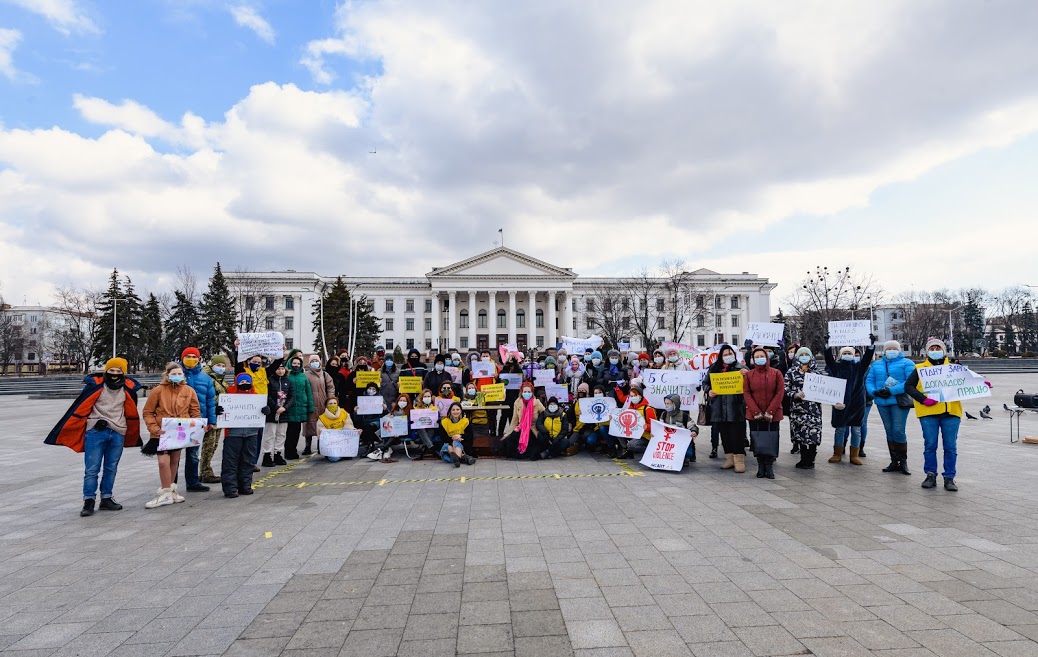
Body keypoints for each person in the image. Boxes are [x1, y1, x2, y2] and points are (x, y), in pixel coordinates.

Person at [46, 357, 142, 517]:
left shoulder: (128, 388)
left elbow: (130, 410)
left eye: (119, 371)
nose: (115, 374)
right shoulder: (95, 386)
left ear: (123, 373)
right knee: (92, 469)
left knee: (111, 468)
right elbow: (82, 406)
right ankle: (88, 500)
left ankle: (106, 498)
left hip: (118, 432)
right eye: (112, 370)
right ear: (106, 371)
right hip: (96, 432)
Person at [903, 339, 972, 491]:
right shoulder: (920, 368)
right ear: (927, 351)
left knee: (950, 447)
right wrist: (923, 399)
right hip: (929, 413)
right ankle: (930, 474)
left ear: (943, 350)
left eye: (938, 348)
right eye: (932, 348)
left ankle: (949, 477)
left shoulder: (953, 367)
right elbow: (908, 386)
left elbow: (969, 382)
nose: (935, 350)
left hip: (951, 412)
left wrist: (981, 384)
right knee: (930, 445)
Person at [141, 362, 202, 509]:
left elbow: (195, 411)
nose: (176, 376)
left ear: (183, 375)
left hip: (180, 431)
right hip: (161, 432)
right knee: (163, 461)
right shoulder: (158, 390)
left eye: (179, 373)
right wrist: (154, 428)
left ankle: (171, 490)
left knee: (174, 461)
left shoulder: (189, 391)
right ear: (167, 375)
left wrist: (197, 425)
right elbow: (148, 412)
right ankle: (165, 491)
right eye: (173, 374)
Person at [865, 340, 916, 475]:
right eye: (889, 348)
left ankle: (903, 461)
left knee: (898, 430)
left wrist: (892, 391)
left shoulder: (907, 363)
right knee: (889, 431)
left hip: (898, 401)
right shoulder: (876, 364)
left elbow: (910, 382)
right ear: (885, 351)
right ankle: (894, 461)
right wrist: (874, 392)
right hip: (882, 402)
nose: (891, 350)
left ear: (899, 350)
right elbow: (869, 381)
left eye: (894, 348)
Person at [824, 339, 876, 465]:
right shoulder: (836, 367)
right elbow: (829, 360)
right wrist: (827, 347)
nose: (847, 355)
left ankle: (854, 455)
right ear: (841, 355)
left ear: (853, 355)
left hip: (857, 402)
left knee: (856, 429)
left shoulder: (859, 367)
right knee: (840, 429)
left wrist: (870, 347)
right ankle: (837, 453)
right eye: (845, 353)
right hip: (840, 402)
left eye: (849, 353)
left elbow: (867, 360)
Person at [701, 344, 748, 473]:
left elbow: (751, 385)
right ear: (721, 356)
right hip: (719, 408)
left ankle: (739, 460)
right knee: (725, 434)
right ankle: (729, 458)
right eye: (725, 354)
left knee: (737, 434)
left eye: (730, 353)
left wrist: (747, 376)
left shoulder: (741, 368)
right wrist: (709, 390)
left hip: (736, 407)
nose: (728, 356)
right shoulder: (714, 369)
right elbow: (705, 383)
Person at [179, 346, 217, 493]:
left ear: (199, 359)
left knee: (193, 454)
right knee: (174, 455)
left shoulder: (205, 379)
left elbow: (210, 401)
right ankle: (170, 483)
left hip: (197, 421)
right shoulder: (177, 375)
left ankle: (193, 482)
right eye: (187, 356)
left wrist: (211, 421)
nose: (191, 359)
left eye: (194, 356)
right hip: (179, 422)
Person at [743, 346, 784, 479]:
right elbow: (747, 393)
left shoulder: (776, 373)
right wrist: (755, 411)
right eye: (757, 357)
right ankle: (760, 465)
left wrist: (770, 411)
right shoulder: (749, 375)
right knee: (757, 438)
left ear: (766, 358)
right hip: (755, 414)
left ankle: (769, 465)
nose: (759, 359)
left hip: (773, 414)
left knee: (772, 438)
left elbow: (779, 392)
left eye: (762, 356)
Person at [221, 373, 261, 497]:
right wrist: (219, 410)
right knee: (230, 461)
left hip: (251, 433)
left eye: (247, 382)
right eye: (242, 382)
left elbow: (261, 411)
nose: (244, 384)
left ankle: (245, 485)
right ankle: (230, 488)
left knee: (248, 461)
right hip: (233, 433)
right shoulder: (229, 395)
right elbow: (221, 410)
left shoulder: (256, 397)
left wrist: (265, 410)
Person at [785, 347, 822, 469]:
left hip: (813, 410)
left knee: (813, 434)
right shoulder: (791, 372)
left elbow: (825, 390)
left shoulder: (817, 373)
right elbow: (785, 388)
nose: (804, 356)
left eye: (807, 354)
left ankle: (811, 459)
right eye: (802, 354)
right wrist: (794, 394)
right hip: (798, 410)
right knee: (800, 434)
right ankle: (803, 458)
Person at [199, 354, 230, 484]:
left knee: (214, 444)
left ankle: (206, 470)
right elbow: (206, 397)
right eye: (218, 365)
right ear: (212, 365)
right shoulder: (208, 379)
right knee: (209, 444)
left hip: (219, 417)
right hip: (210, 416)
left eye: (223, 366)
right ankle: (205, 471)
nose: (221, 368)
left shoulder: (221, 380)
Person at [261, 362, 294, 466]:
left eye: (283, 369)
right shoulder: (269, 381)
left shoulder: (288, 382)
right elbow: (267, 396)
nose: (281, 371)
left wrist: (284, 407)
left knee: (281, 434)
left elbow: (292, 397)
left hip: (284, 413)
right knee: (270, 434)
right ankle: (267, 455)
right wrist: (275, 407)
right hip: (272, 413)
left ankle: (278, 453)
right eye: (278, 369)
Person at [303, 354, 336, 456]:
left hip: (322, 404)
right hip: (310, 403)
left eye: (316, 361)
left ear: (320, 362)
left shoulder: (325, 375)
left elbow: (330, 388)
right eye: (312, 361)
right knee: (308, 425)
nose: (314, 363)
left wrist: (330, 399)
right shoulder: (306, 375)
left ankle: (320, 445)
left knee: (322, 426)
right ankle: (307, 446)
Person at [502, 382, 546, 459]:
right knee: (508, 441)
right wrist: (508, 432)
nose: (527, 393)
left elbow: (545, 414)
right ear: (521, 392)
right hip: (520, 428)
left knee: (534, 450)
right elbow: (514, 420)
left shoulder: (537, 402)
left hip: (533, 429)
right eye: (525, 392)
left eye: (529, 392)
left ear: (532, 393)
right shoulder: (517, 402)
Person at [283, 353, 314, 460]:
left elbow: (308, 392)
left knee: (296, 431)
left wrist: (310, 407)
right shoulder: (287, 376)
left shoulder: (303, 377)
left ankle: (294, 450)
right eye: (294, 363)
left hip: (301, 407)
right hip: (289, 407)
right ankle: (288, 451)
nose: (296, 365)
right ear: (290, 364)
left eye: (298, 363)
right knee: (289, 431)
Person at [657, 393, 699, 468]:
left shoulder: (684, 415)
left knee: (688, 453)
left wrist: (694, 431)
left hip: (680, 441)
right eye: (665, 403)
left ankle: (686, 458)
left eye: (668, 404)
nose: (666, 405)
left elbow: (693, 426)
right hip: (668, 441)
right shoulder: (664, 414)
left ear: (675, 404)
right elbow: (660, 427)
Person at [616, 381, 657, 459]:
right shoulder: (630, 409)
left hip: (645, 436)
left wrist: (647, 427)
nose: (633, 398)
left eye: (635, 395)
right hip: (634, 433)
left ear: (640, 396)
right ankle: (627, 450)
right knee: (616, 430)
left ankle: (651, 452)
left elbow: (655, 425)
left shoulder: (648, 409)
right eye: (631, 396)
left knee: (632, 445)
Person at [316, 396, 356, 463]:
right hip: (332, 442)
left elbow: (349, 424)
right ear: (326, 406)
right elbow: (321, 434)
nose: (333, 405)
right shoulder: (322, 418)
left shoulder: (343, 412)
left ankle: (344, 452)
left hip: (343, 438)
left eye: (335, 403)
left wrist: (354, 431)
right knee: (334, 459)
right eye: (330, 403)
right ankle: (342, 453)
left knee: (347, 430)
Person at [439, 402, 476, 467]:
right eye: (453, 410)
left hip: (463, 444)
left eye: (457, 409)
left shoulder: (465, 421)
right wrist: (453, 438)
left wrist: (460, 436)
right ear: (450, 411)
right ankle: (463, 457)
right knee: (448, 446)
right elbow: (443, 438)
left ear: (461, 411)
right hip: (448, 443)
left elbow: (470, 436)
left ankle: (457, 458)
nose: (455, 412)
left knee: (456, 443)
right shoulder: (444, 422)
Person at [413, 389, 441, 454]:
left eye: (428, 396)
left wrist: (435, 419)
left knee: (432, 427)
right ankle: (431, 447)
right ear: (422, 398)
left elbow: (438, 419)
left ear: (431, 398)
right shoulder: (417, 408)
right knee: (420, 428)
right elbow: (413, 420)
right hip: (421, 429)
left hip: (431, 428)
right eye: (425, 397)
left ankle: (426, 446)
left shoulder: (435, 408)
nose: (427, 398)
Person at [856, 349, 872, 458]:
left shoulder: (867, 368)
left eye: (857, 355)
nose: (855, 357)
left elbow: (870, 382)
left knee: (862, 423)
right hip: (850, 400)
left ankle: (860, 447)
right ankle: (842, 446)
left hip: (865, 400)